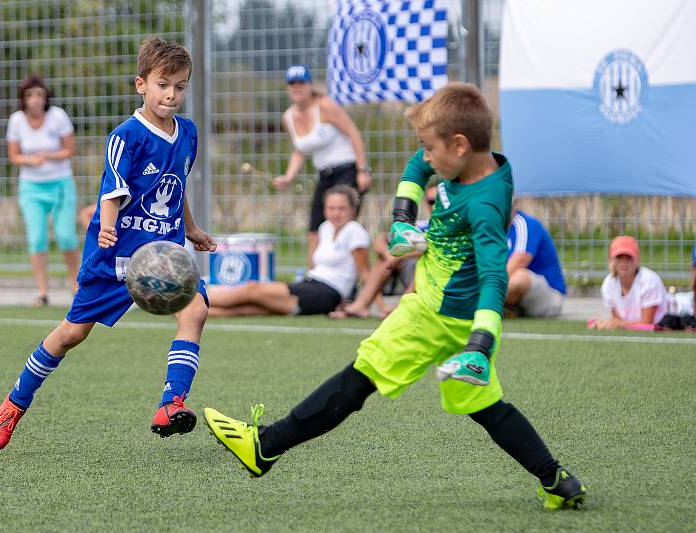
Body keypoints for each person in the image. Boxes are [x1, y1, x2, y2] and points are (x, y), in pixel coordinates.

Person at [203, 83, 586, 510]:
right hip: (452, 317)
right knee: (489, 407)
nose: (424, 156)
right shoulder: (481, 162)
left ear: (459, 145)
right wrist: (405, 219)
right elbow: (417, 168)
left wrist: (482, 345)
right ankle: (556, 479)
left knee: (358, 378)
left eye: (429, 146)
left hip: (436, 315)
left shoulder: (484, 208)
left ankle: (264, 447)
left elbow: (495, 279)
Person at [0, 38, 217, 451]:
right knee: (71, 334)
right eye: (163, 84)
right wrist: (107, 227)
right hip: (117, 256)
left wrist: (193, 228)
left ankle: (171, 403)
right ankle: (14, 403)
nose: (171, 95)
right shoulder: (125, 136)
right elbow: (113, 189)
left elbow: (176, 187)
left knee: (196, 310)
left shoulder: (189, 134)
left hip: (164, 254)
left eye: (180, 86)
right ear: (141, 84)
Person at [207, 185, 370, 317]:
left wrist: (367, 305)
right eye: (331, 208)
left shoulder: (354, 230)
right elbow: (315, 265)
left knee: (253, 289)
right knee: (253, 307)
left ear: (353, 209)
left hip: (327, 293)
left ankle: (194, 298)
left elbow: (365, 274)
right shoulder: (325, 228)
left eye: (341, 208)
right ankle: (194, 311)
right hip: (310, 284)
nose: (336, 213)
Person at [272, 64, 372, 264]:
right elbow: (300, 149)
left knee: (342, 225)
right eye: (292, 83)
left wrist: (362, 169)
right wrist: (288, 177)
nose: (297, 87)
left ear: (310, 85)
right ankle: (314, 276)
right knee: (314, 229)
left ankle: (351, 278)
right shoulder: (288, 117)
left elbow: (353, 133)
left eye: (301, 82)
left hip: (347, 169)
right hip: (324, 174)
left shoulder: (325, 105)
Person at [7, 74, 79, 306]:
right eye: (30, 95)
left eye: (39, 94)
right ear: (24, 99)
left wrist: (49, 155)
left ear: (45, 96)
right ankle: (42, 292)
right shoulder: (16, 120)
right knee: (36, 239)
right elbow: (14, 156)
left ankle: (76, 286)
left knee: (66, 237)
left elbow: (69, 149)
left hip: (60, 186)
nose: (35, 100)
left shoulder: (57, 116)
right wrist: (29, 161)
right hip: (31, 189)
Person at [329, 185, 437, 319]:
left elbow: (435, 249)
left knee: (424, 263)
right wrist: (388, 255)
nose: (435, 205)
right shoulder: (421, 225)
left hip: (429, 274)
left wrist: (399, 256)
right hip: (405, 269)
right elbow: (381, 239)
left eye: (438, 201)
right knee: (382, 259)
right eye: (431, 201)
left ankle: (400, 310)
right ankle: (361, 305)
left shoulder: (448, 228)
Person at [588, 235, 667, 330]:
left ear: (637, 260)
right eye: (619, 257)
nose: (624, 261)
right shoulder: (608, 284)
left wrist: (613, 323)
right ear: (612, 260)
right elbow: (618, 320)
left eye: (628, 257)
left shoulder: (649, 279)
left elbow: (647, 323)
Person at [504, 208, 567, 317]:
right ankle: (508, 309)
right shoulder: (488, 227)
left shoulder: (525, 224)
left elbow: (519, 261)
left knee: (519, 278)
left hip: (551, 297)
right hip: (517, 298)